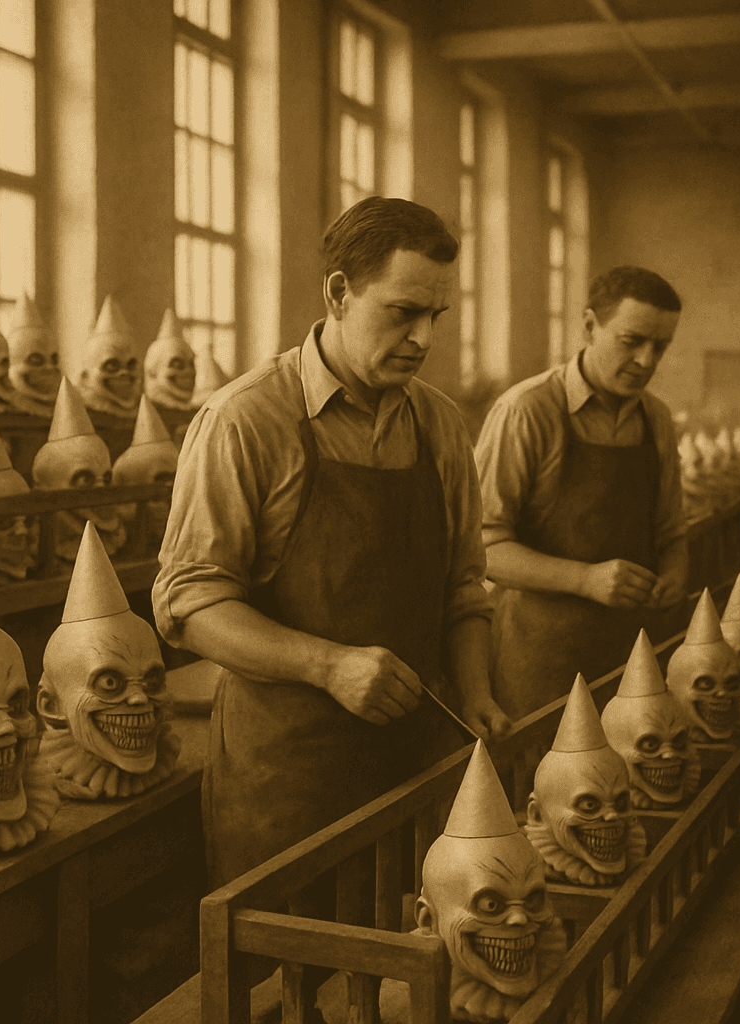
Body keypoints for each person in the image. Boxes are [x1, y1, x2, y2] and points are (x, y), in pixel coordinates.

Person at [152, 197, 511, 902]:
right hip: (286, 779)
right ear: (339, 293)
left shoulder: (439, 425)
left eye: (434, 316)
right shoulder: (244, 421)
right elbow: (188, 604)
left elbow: (465, 589)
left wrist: (475, 693)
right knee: (282, 991)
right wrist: (329, 665)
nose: (422, 337)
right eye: (402, 311)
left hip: (413, 766)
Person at [475, 266, 688, 721]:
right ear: (590, 325)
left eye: (661, 346)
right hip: (538, 663)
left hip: (632, 657)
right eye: (632, 341)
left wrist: (674, 569)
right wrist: (585, 579)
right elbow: (482, 548)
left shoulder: (657, 419)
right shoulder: (526, 411)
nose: (647, 361)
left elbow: (671, 529)